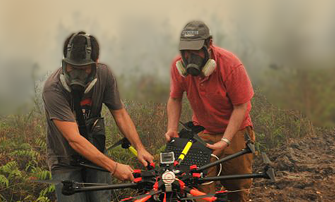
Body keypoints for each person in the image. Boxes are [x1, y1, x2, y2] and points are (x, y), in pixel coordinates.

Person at [42, 31, 153, 202]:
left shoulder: (104, 75)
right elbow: (74, 140)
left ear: (96, 63)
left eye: (84, 68)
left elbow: (120, 114)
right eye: (73, 67)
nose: (77, 74)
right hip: (65, 160)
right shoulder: (53, 89)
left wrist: (140, 147)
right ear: (65, 64)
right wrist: (114, 167)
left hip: (96, 154)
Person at [165, 21, 255, 202]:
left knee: (236, 188)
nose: (189, 57)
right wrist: (171, 129)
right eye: (185, 52)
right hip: (203, 134)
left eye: (195, 51)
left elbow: (241, 106)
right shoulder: (178, 67)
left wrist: (225, 140)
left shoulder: (230, 65)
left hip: (236, 133)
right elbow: (175, 98)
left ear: (209, 44)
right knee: (200, 189)